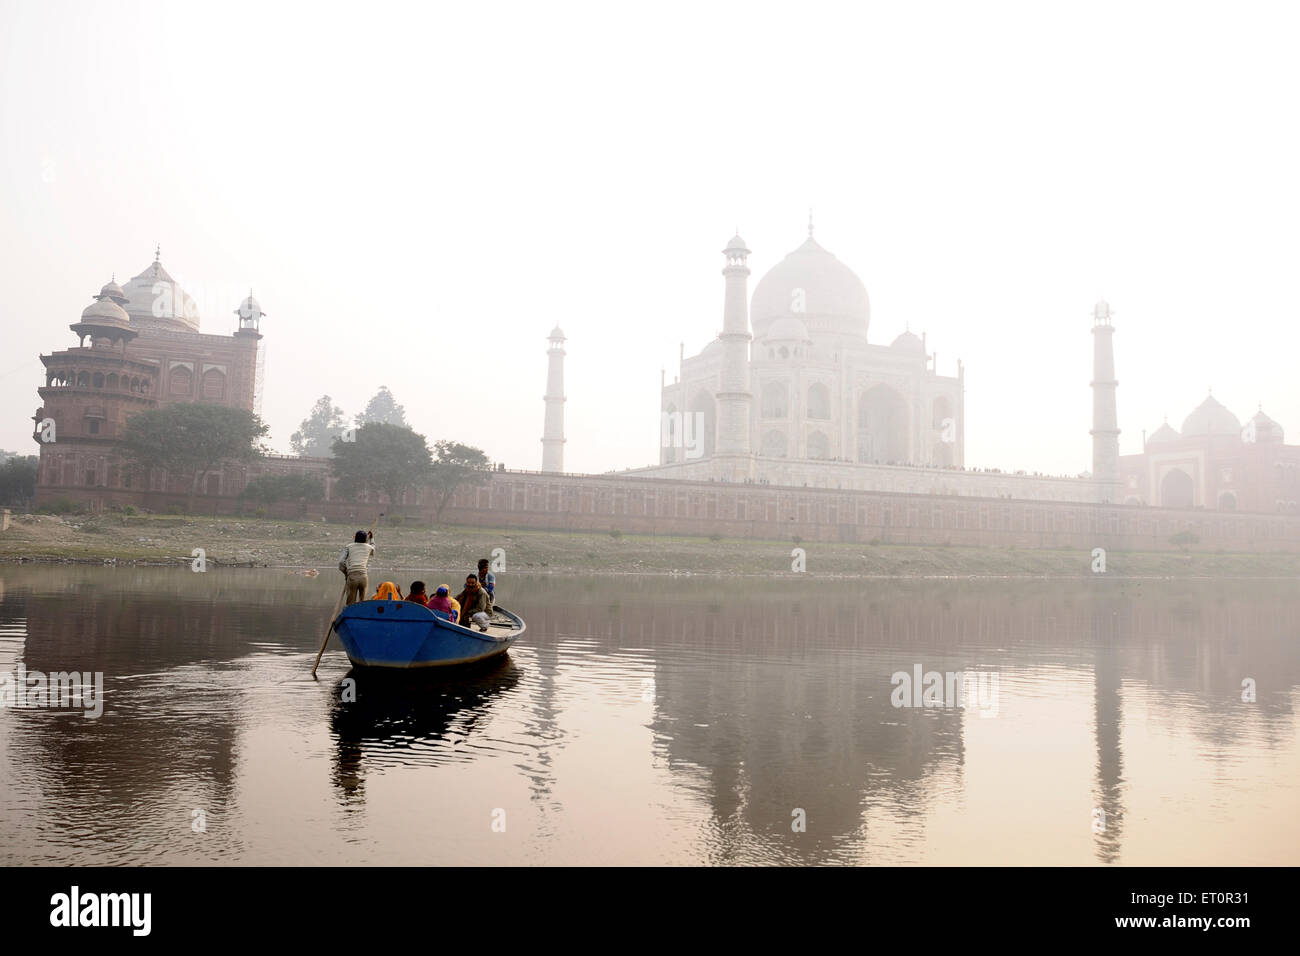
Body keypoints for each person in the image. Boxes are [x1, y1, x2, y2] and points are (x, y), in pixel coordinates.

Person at [338, 530, 375, 605]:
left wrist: (346, 573)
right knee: (362, 603)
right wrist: (371, 539)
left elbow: (341, 562)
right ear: (365, 539)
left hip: (352, 577)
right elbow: (373, 548)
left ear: (355, 538)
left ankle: (350, 615)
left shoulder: (349, 546)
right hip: (363, 577)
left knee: (350, 604)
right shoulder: (369, 547)